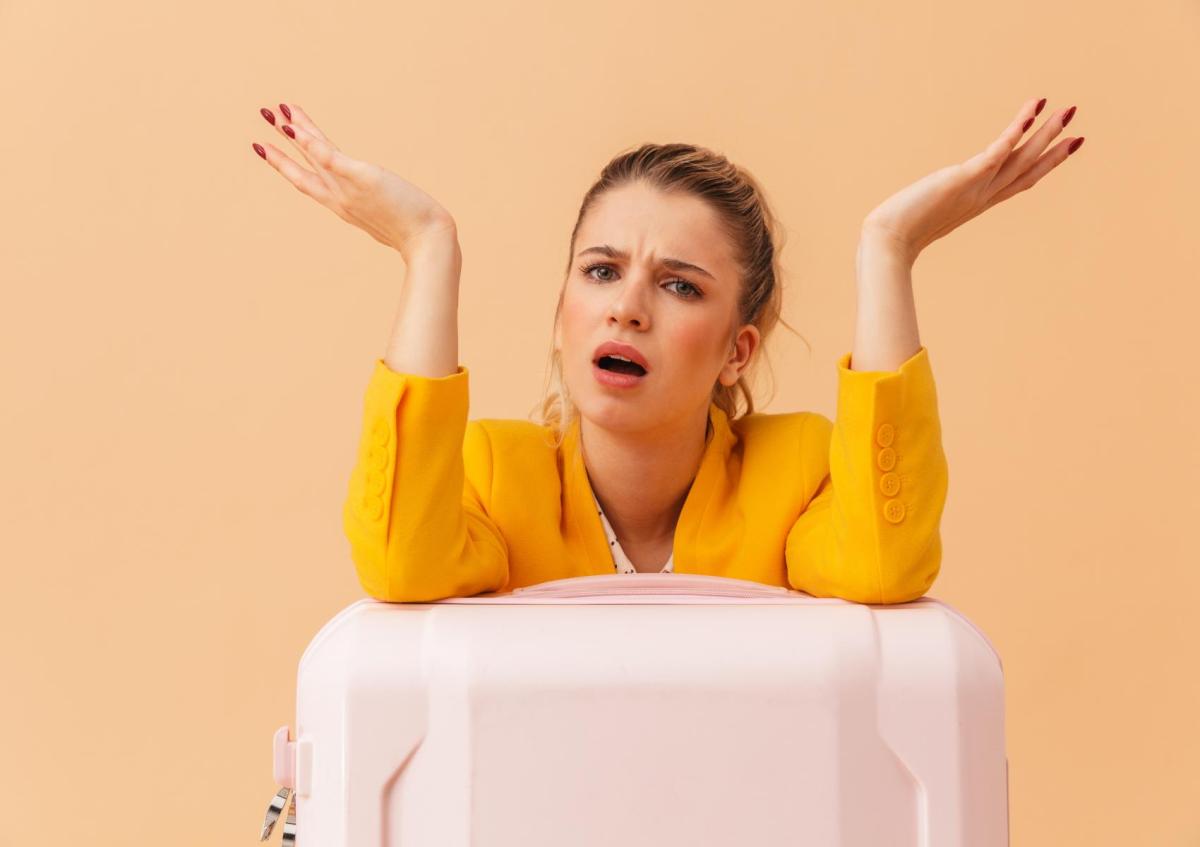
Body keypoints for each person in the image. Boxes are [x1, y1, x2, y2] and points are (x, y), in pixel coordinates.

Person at [252, 98, 1083, 603]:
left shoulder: (796, 470)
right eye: (601, 271)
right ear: (563, 313)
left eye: (680, 285)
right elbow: (400, 564)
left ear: (737, 350)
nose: (627, 307)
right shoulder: (495, 475)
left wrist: (889, 247)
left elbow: (884, 565)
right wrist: (428, 245)